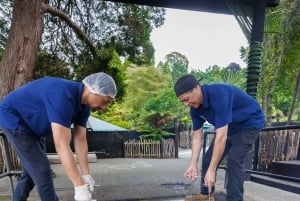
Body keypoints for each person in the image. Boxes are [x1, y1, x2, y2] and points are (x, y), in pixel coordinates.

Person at [0, 72, 117, 201]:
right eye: (106, 101)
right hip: (14, 118)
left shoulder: (84, 108)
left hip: (35, 127)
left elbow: (80, 140)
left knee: (31, 172)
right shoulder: (63, 96)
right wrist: (78, 186)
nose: (105, 107)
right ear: (94, 89)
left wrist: (85, 174)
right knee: (42, 169)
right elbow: (61, 145)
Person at [174, 74, 264, 201]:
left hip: (249, 124)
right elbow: (197, 136)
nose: (186, 104)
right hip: (230, 127)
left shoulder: (220, 96)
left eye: (187, 99)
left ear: (197, 88)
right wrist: (193, 164)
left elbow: (221, 137)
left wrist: (212, 170)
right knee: (208, 158)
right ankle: (206, 195)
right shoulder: (195, 108)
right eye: (182, 101)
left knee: (234, 159)